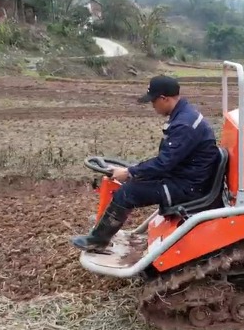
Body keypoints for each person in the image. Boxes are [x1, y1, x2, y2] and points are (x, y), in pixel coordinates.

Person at [71, 75, 220, 252]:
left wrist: (130, 172)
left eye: (153, 101)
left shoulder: (184, 125)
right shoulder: (184, 115)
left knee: (128, 192)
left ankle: (97, 241)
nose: (153, 105)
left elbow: (163, 164)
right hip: (186, 177)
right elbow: (168, 160)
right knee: (134, 181)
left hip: (188, 187)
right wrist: (133, 170)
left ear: (164, 98)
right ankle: (104, 227)